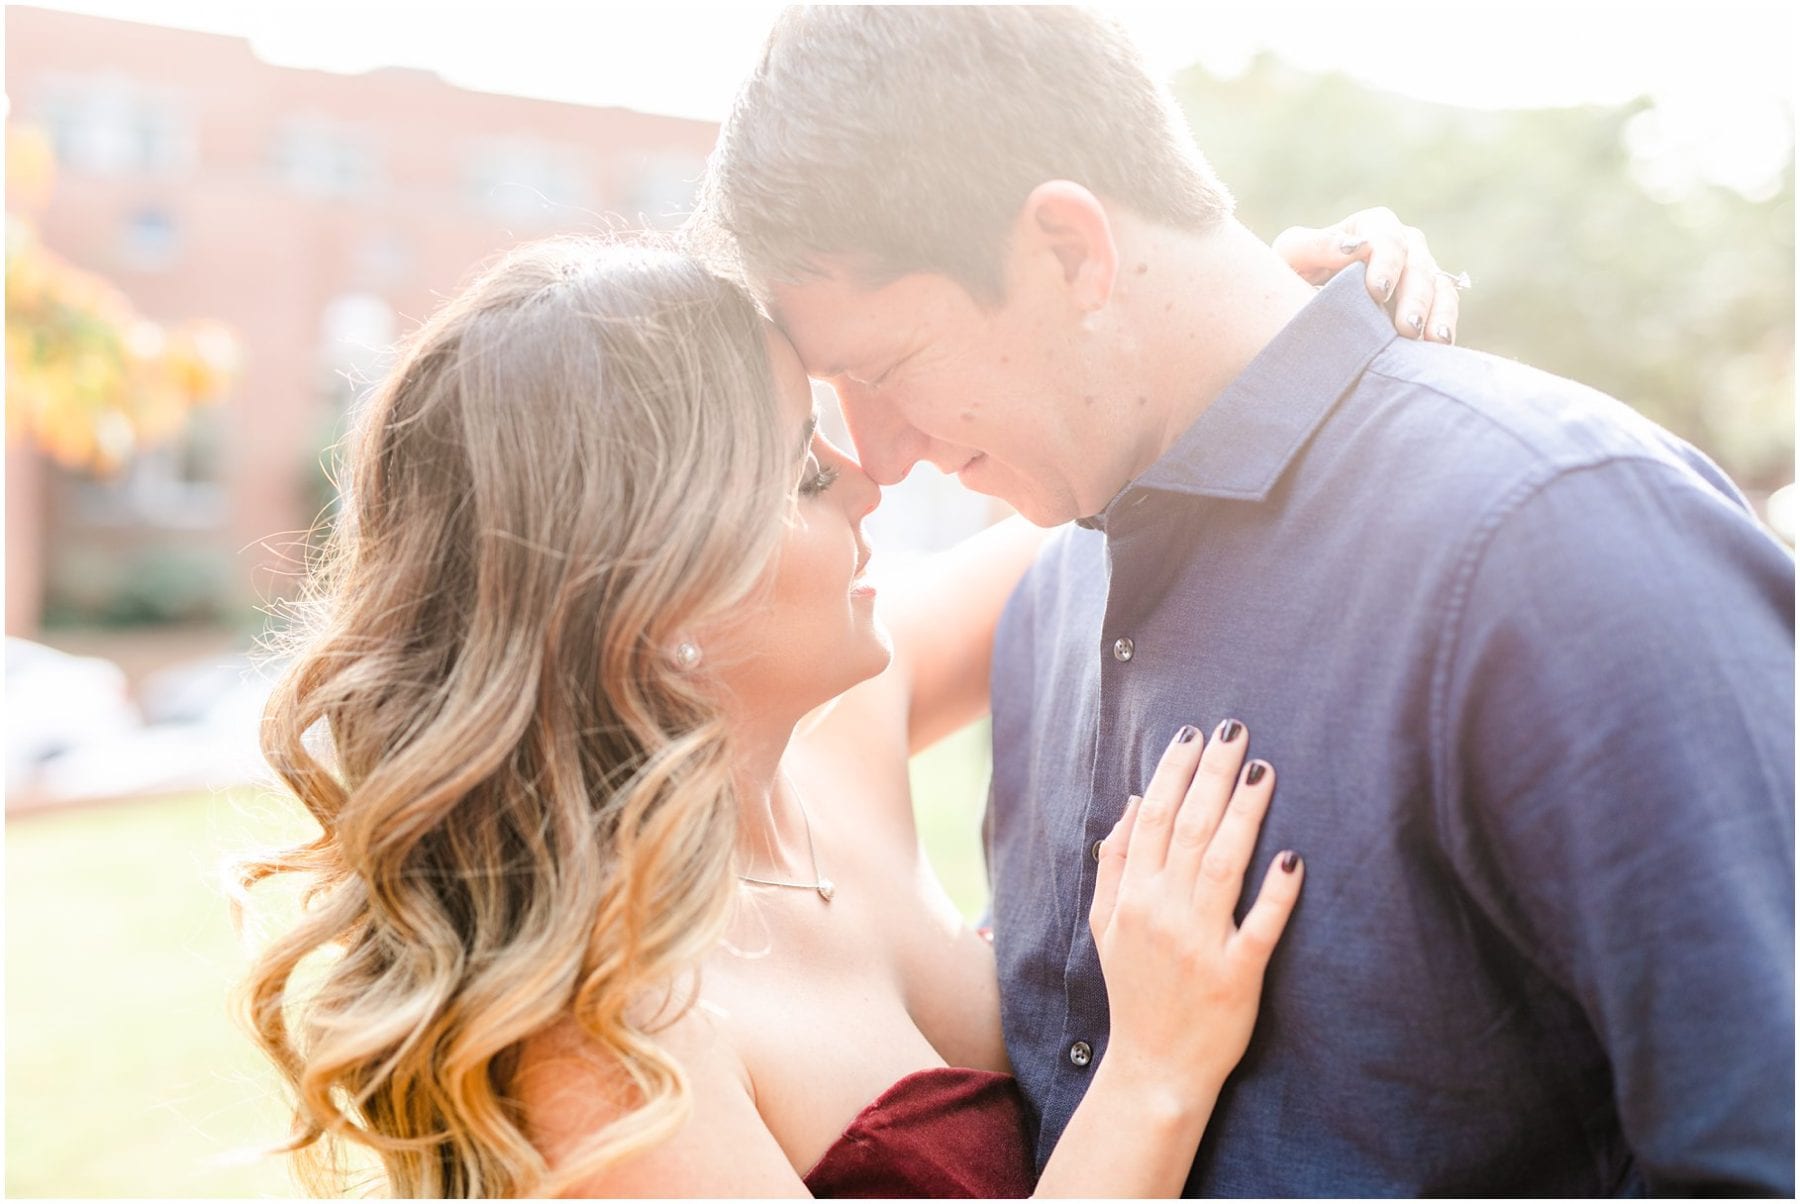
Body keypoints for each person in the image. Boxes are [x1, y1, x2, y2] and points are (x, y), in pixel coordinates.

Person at [694, 6, 1796, 1197]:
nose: (882, 454)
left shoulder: (1557, 537)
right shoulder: (1048, 607)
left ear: (1071, 252)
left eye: (887, 371)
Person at [236, 223, 1454, 1196]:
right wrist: (1153, 1072)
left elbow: (1088, 513)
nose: (871, 482)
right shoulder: (590, 1048)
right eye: (806, 471)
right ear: (653, 585)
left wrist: (1231, 335)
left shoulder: (834, 741)